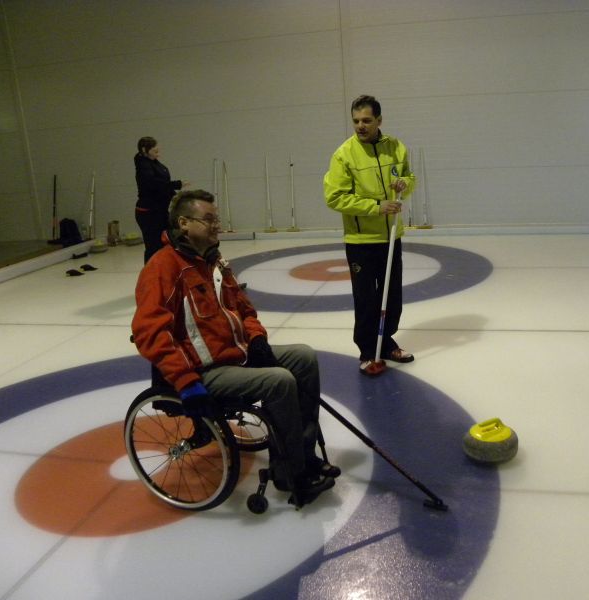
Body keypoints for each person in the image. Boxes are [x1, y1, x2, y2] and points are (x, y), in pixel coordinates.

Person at [131, 189, 338, 506]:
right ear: (184, 223)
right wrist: (185, 381)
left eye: (217, 219)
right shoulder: (163, 268)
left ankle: (303, 453)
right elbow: (148, 332)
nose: (217, 225)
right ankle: (291, 473)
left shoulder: (213, 262)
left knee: (303, 357)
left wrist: (256, 339)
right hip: (203, 371)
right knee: (279, 381)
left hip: (236, 355)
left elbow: (243, 309)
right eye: (209, 219)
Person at [324, 95, 416, 377]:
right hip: (361, 241)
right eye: (356, 121)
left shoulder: (396, 147)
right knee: (366, 299)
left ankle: (386, 343)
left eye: (366, 120)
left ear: (379, 120)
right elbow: (335, 197)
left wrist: (404, 184)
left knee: (392, 296)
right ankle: (367, 350)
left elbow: (409, 178)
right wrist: (376, 207)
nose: (360, 126)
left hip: (391, 236)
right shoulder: (344, 154)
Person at [134, 136, 186, 263]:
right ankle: (151, 272)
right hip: (149, 212)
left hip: (160, 210)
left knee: (169, 241)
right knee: (153, 246)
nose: (158, 153)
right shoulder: (143, 166)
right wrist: (177, 184)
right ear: (144, 150)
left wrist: (176, 195)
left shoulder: (154, 163)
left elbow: (163, 185)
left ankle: (167, 269)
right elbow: (154, 184)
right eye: (155, 151)